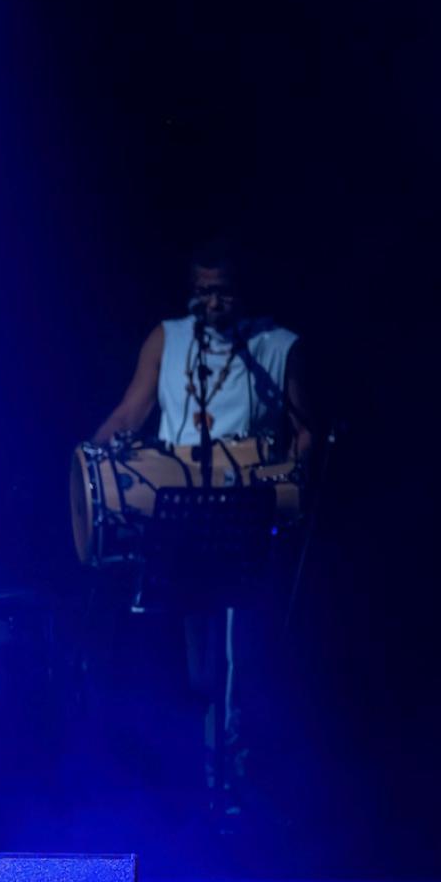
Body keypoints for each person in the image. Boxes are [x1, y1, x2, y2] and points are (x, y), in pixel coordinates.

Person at [88, 240, 311, 845]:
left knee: (242, 657)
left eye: (225, 291)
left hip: (248, 515)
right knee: (197, 660)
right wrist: (90, 461)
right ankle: (196, 789)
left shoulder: (276, 348)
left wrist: (291, 485)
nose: (214, 303)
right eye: (204, 290)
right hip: (182, 517)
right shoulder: (169, 338)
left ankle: (236, 789)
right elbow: (130, 413)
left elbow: (303, 432)